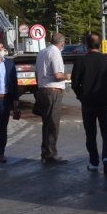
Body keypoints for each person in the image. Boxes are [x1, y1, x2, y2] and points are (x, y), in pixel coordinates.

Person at [71, 33, 107, 175]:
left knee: (90, 133)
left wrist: (81, 96)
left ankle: (94, 162)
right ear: (100, 44)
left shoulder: (80, 61)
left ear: (86, 45)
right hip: (105, 101)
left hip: (88, 103)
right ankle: (106, 157)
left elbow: (74, 83)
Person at [35, 32, 68, 165]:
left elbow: (37, 73)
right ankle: (50, 154)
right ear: (62, 43)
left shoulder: (42, 52)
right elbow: (58, 75)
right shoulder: (55, 53)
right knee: (53, 124)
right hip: (53, 92)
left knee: (46, 124)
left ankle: (45, 152)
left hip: (43, 89)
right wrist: (68, 76)